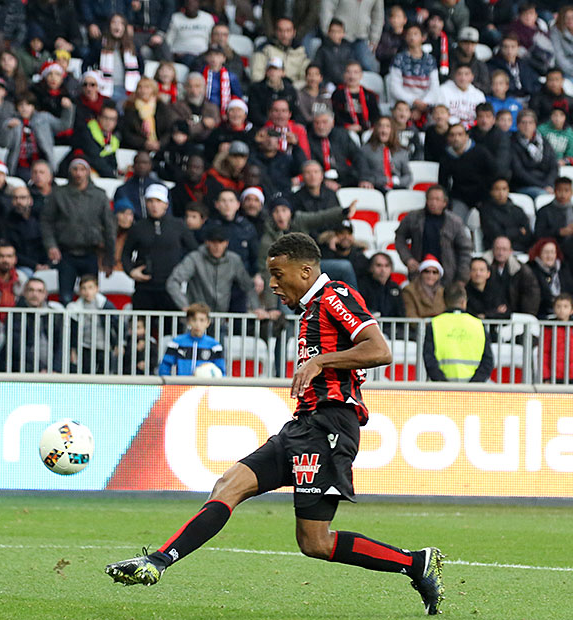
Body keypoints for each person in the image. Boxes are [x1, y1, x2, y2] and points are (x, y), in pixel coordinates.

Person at [106, 232, 444, 617]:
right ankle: (157, 561)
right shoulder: (310, 311)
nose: (272, 284)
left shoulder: (334, 296)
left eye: (278, 274)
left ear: (305, 271)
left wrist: (320, 361)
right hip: (302, 426)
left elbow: (379, 349)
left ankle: (415, 563)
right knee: (228, 484)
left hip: (330, 427)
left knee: (315, 542)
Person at [41, 158, 115, 305]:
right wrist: (51, 245)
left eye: (82, 169)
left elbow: (109, 227)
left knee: (91, 298)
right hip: (66, 253)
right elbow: (46, 221)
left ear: (88, 172)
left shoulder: (99, 195)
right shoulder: (58, 194)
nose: (78, 173)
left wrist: (109, 258)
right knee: (65, 298)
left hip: (91, 253)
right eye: (75, 169)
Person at [121, 184, 197, 311]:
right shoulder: (137, 227)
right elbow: (125, 254)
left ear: (166, 204)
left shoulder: (178, 225)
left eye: (158, 201)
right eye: (150, 201)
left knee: (172, 323)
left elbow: (194, 252)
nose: (154, 205)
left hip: (171, 288)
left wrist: (183, 272)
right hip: (144, 288)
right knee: (142, 323)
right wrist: (131, 271)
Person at [166, 222, 267, 316]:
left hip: (220, 319)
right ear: (207, 242)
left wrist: (256, 307)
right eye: (214, 242)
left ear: (226, 243)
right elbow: (173, 281)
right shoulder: (195, 258)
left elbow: (248, 285)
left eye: (221, 242)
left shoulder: (234, 260)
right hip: (197, 318)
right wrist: (185, 306)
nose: (217, 246)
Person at [395, 185, 472, 285]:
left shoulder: (455, 222)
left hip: (448, 277)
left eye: (437, 199)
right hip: (418, 275)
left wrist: (462, 278)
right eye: (430, 199)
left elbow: (465, 249)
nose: (433, 202)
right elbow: (400, 237)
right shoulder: (414, 218)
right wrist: (408, 259)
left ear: (444, 202)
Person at [423, 282, 494, 382]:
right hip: (473, 389)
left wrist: (443, 384)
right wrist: (473, 385)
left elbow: (429, 360)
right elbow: (487, 361)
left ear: (444, 302)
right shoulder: (478, 325)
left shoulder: (435, 324)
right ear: (464, 302)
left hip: (442, 388)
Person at [0, 276, 64, 373]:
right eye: (31, 290)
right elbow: (17, 346)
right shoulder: (15, 315)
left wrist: (55, 369)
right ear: (24, 293)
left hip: (51, 368)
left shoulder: (55, 315)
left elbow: (61, 345)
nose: (35, 294)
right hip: (23, 366)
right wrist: (40, 368)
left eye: (39, 291)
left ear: (45, 294)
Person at [438, 122, 497, 222]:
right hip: (460, 198)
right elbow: (443, 183)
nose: (456, 138)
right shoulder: (446, 157)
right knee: (454, 222)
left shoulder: (481, 152)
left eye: (460, 134)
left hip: (483, 196)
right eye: (452, 135)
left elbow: (494, 174)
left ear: (466, 137)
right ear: (448, 138)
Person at [65, 273, 118, 374]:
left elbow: (117, 324)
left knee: (105, 374)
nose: (87, 292)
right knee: (85, 374)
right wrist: (73, 349)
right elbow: (73, 331)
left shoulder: (105, 305)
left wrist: (118, 343)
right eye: (84, 288)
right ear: (80, 291)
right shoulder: (74, 308)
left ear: (97, 289)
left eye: (90, 287)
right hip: (85, 346)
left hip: (104, 346)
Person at [157, 301, 226, 376]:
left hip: (204, 383)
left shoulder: (215, 346)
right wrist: (169, 382)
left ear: (208, 323)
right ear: (188, 322)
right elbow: (165, 366)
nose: (198, 324)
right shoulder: (176, 343)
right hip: (182, 383)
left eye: (202, 320)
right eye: (194, 320)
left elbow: (221, 371)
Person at [483, 236, 541, 316]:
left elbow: (531, 294)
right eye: (498, 249)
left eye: (504, 249)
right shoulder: (482, 268)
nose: (500, 253)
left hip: (515, 317)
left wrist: (526, 317)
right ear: (492, 250)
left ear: (511, 251)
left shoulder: (521, 270)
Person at [305, 111, 363, 189]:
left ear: (332, 123)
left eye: (324, 122)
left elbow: (358, 156)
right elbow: (309, 163)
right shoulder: (308, 140)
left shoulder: (342, 135)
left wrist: (365, 178)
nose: (321, 126)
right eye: (317, 123)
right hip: (320, 180)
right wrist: (323, 180)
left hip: (345, 178)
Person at [542, 292, 573, 384]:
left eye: (565, 307)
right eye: (558, 306)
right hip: (554, 376)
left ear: (572, 310)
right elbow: (544, 353)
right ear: (554, 309)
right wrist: (545, 376)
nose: (562, 310)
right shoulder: (549, 328)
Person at [510, 110, 558, 200]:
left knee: (563, 192)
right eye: (523, 123)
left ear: (535, 125)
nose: (527, 126)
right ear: (518, 125)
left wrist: (548, 184)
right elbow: (519, 172)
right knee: (543, 195)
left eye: (530, 123)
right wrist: (543, 186)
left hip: (547, 184)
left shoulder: (544, 142)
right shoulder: (512, 143)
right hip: (524, 185)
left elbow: (553, 166)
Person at [250, 18, 308, 89]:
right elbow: (256, 77)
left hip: (295, 91)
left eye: (288, 31)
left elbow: (305, 79)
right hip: (267, 90)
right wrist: (273, 86)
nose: (284, 35)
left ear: (294, 33)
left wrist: (290, 89)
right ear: (275, 32)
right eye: (281, 31)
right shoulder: (264, 50)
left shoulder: (301, 52)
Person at [479, 178, 533, 252]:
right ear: (491, 192)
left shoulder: (518, 210)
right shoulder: (486, 211)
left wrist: (507, 231)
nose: (501, 193)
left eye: (504, 189)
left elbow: (528, 234)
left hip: (520, 249)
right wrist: (518, 231)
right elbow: (496, 234)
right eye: (497, 189)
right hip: (496, 251)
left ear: (508, 190)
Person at [359, 116, 411, 191]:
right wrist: (384, 180)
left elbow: (408, 176)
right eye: (381, 126)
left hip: (398, 189)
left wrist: (396, 181)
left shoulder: (401, 152)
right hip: (376, 189)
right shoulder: (365, 150)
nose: (384, 130)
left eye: (387, 126)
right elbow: (363, 174)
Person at [528, 237, 573, 318]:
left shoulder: (563, 268)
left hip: (564, 312)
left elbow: (570, 290)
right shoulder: (531, 270)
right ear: (539, 253)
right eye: (546, 252)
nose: (549, 256)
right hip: (541, 313)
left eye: (552, 252)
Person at [359, 252, 405, 319]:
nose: (383, 270)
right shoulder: (362, 286)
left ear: (391, 269)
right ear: (370, 268)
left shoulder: (395, 287)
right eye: (379, 265)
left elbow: (401, 314)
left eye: (386, 266)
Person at [534, 176, 573, 243]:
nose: (563, 194)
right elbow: (538, 234)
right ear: (554, 191)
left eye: (566, 190)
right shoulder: (544, 211)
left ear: (572, 192)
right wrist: (559, 232)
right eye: (559, 190)